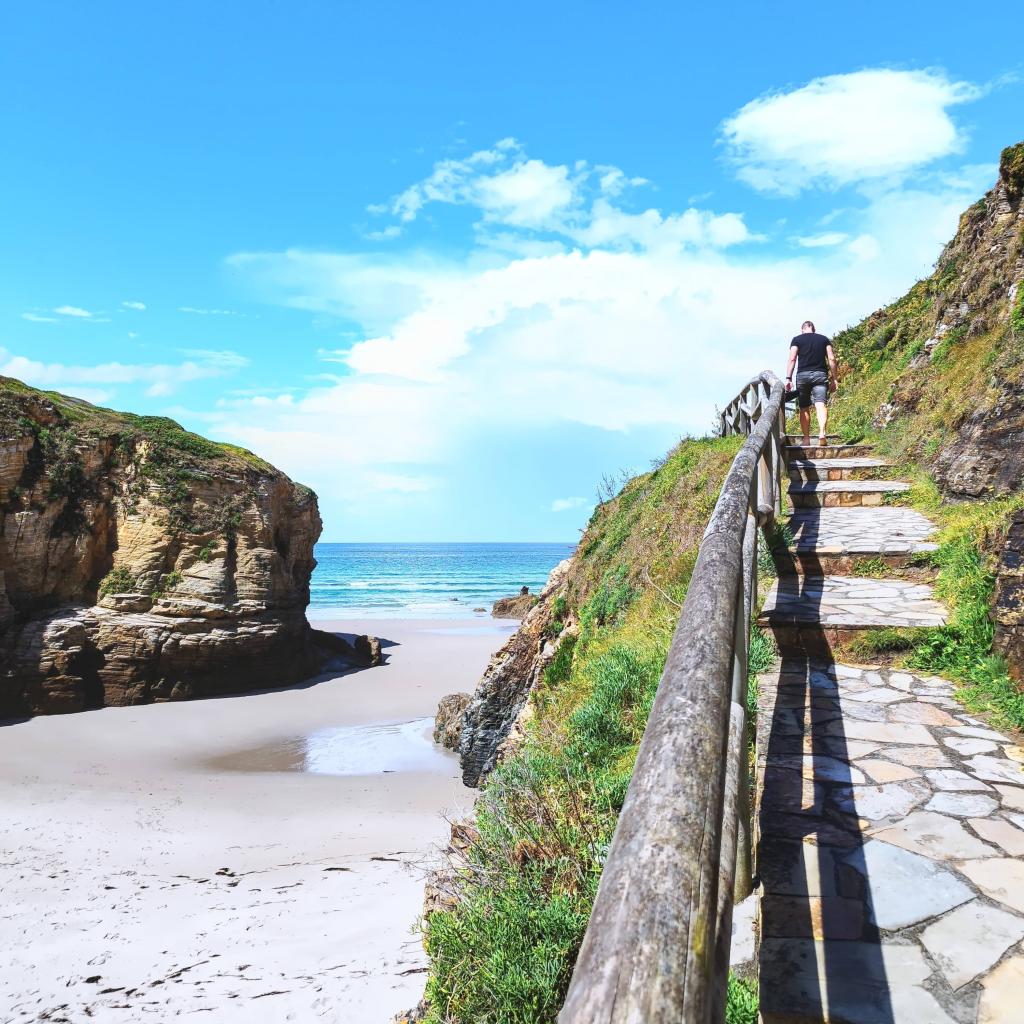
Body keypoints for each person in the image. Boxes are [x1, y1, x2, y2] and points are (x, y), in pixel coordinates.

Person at [785, 320, 838, 446]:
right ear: (813, 329)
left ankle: (806, 439)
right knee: (820, 404)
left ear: (802, 329)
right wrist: (834, 378)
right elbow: (831, 358)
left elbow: (792, 358)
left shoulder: (796, 340)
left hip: (802, 376)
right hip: (820, 375)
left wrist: (788, 378)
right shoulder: (824, 339)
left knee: (804, 407)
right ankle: (822, 433)